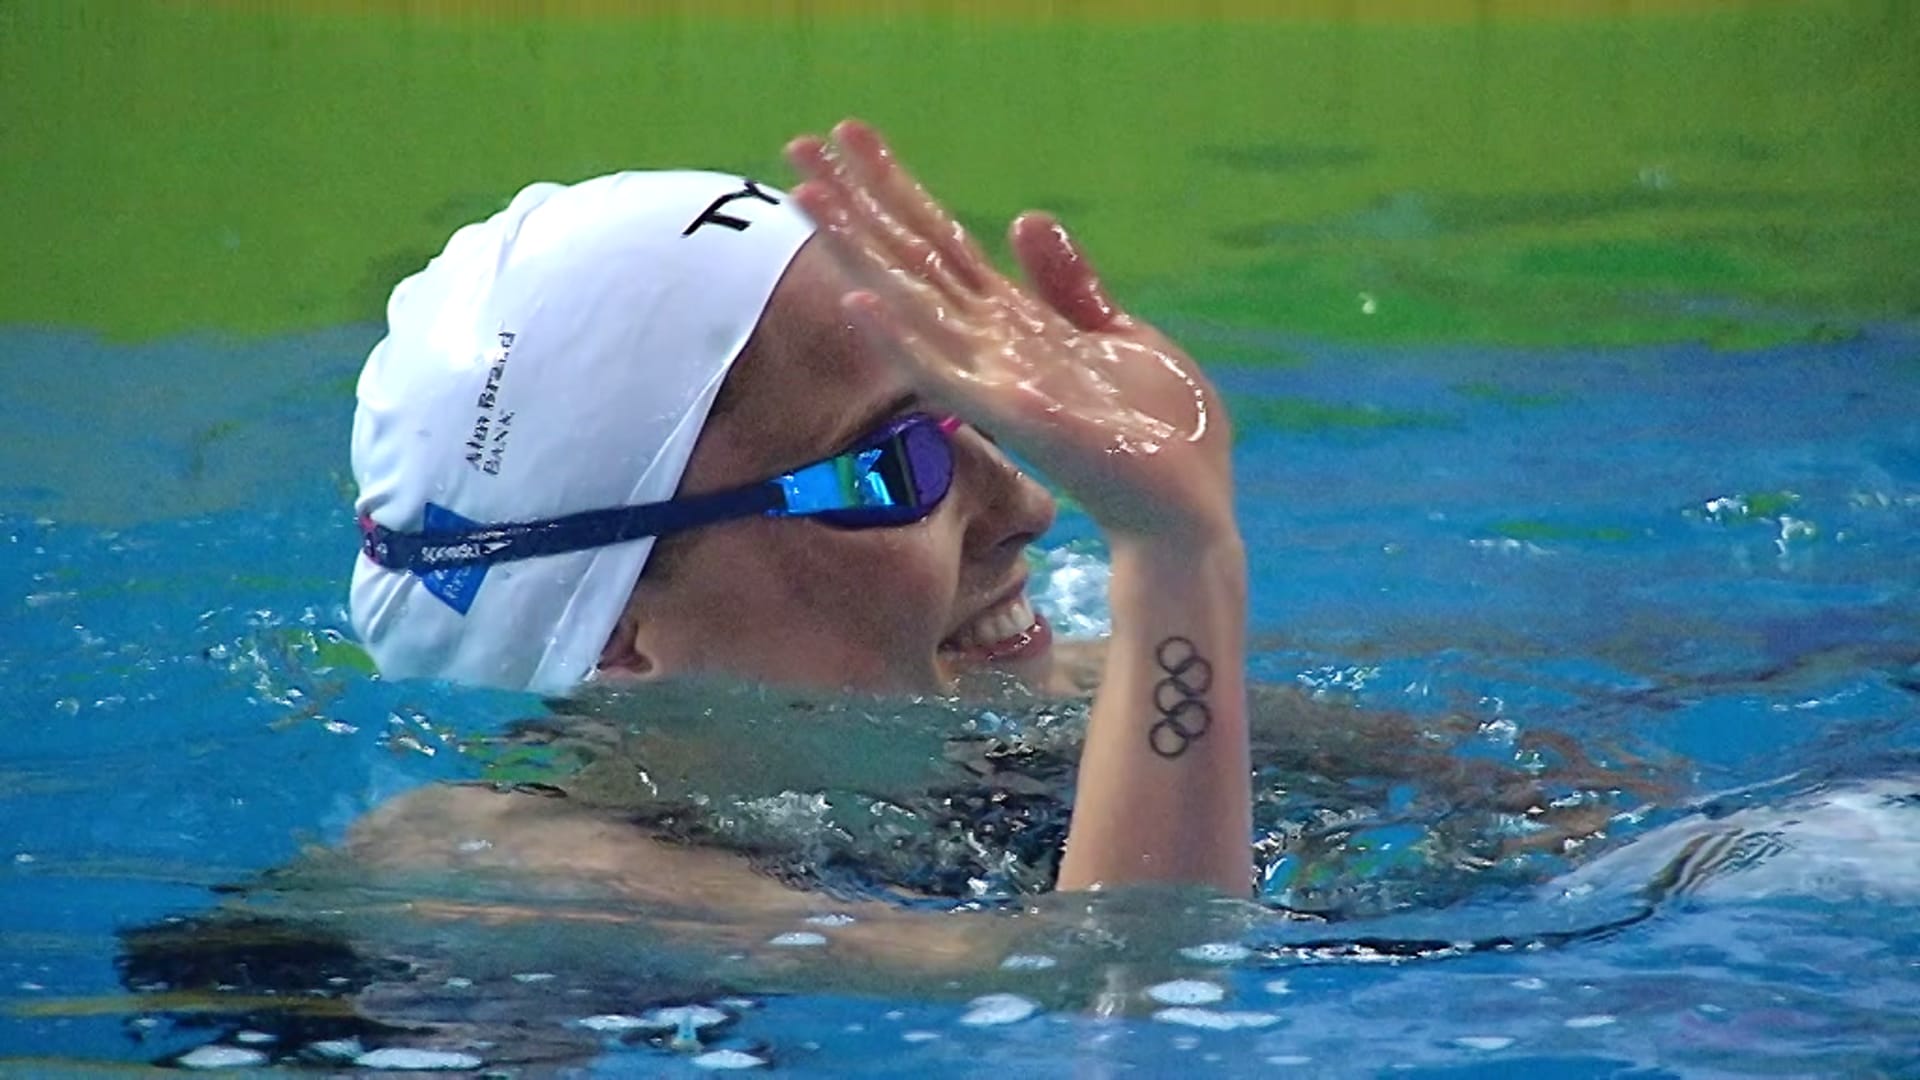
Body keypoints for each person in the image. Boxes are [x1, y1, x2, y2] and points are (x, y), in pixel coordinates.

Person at [349, 118, 1253, 898]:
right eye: (894, 469)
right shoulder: (500, 875)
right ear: (617, 633)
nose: (1029, 505)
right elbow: (1126, 992)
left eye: (976, 410)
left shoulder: (1060, 704)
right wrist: (1176, 560)